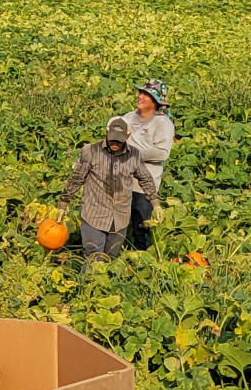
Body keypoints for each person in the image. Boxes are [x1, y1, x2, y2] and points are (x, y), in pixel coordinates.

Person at [62, 120, 157, 260]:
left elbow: (146, 179)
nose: (114, 143)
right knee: (94, 259)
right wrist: (63, 204)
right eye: (112, 139)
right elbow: (76, 179)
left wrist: (156, 204)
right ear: (107, 133)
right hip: (94, 215)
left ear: (128, 136)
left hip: (120, 218)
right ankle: (90, 274)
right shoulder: (91, 151)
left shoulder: (134, 155)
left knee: (111, 259)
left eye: (119, 141)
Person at [110, 79, 174, 249]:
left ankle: (144, 259)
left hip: (144, 185)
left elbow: (162, 152)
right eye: (140, 93)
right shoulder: (129, 117)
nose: (140, 96)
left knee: (141, 228)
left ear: (155, 101)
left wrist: (132, 152)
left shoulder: (162, 123)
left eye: (146, 94)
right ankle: (113, 255)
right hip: (121, 181)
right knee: (115, 224)